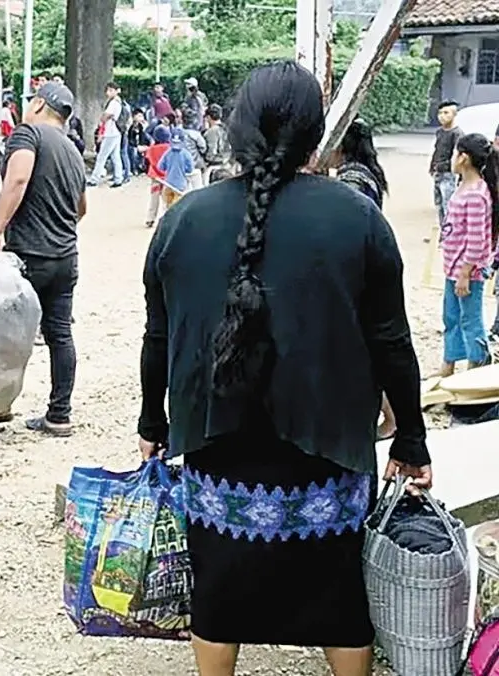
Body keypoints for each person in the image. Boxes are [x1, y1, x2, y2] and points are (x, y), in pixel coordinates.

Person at [138, 61, 430, 676]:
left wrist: (152, 422)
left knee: (217, 595)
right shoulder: (357, 218)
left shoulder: (182, 219)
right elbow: (391, 341)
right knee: (340, 598)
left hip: (216, 442)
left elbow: (159, 335)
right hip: (329, 444)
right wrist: (411, 435)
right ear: (314, 132)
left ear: (238, 128)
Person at [0, 82, 86, 436]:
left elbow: (18, 178)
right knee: (60, 334)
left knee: (4, 331)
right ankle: (59, 415)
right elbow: (81, 208)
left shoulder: (28, 134)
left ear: (40, 104)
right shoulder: (73, 150)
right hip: (66, 256)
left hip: (29, 253)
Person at [333, 120, 394, 440]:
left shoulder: (352, 180)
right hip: (365, 266)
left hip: (358, 271)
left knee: (365, 352)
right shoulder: (366, 173)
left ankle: (390, 417)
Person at [436, 133, 498, 378]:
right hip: (453, 269)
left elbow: (476, 239)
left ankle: (477, 367)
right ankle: (449, 364)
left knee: (470, 320)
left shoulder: (476, 194)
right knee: (450, 317)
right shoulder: (464, 186)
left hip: (467, 272)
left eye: (455, 153)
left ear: (463, 158)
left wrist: (465, 273)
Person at [87, 83, 125, 188]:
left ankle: (94, 179)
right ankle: (118, 178)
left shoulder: (113, 103)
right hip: (116, 132)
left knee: (101, 157)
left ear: (117, 90)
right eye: (108, 90)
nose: (109, 93)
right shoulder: (119, 102)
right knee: (115, 156)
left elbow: (106, 116)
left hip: (111, 133)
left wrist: (102, 118)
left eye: (111, 90)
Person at [431, 100, 462, 229]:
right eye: (440, 113)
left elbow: (457, 154)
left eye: (446, 113)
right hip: (438, 172)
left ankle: (450, 233)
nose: (442, 116)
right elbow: (437, 149)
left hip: (449, 174)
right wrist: (432, 165)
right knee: (438, 204)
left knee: (447, 204)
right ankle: (442, 232)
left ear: (454, 115)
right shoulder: (440, 132)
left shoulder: (457, 133)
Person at [156, 130, 193, 210]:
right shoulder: (186, 154)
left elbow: (160, 166)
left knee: (167, 208)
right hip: (181, 186)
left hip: (168, 183)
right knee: (178, 208)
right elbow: (190, 170)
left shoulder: (168, 152)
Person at [143, 126, 172, 228]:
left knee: (154, 199)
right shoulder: (170, 148)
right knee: (167, 199)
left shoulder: (151, 149)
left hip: (155, 176)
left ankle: (150, 218)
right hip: (167, 177)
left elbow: (146, 163)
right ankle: (167, 218)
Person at [203, 104, 232, 182]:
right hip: (228, 165)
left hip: (215, 167)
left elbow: (210, 155)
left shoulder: (211, 132)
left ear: (208, 117)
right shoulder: (227, 129)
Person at [181, 109, 207, 191]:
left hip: (181, 166)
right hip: (195, 165)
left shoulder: (178, 132)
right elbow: (203, 148)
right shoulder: (196, 134)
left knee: (184, 192)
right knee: (198, 189)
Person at [127, 109, 150, 175]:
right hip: (131, 146)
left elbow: (142, 137)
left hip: (139, 145)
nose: (141, 118)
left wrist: (142, 145)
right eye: (139, 116)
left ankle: (142, 167)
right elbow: (130, 139)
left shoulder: (141, 127)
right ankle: (134, 168)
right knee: (134, 152)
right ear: (134, 116)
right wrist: (137, 146)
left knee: (145, 150)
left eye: (142, 116)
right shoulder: (130, 127)